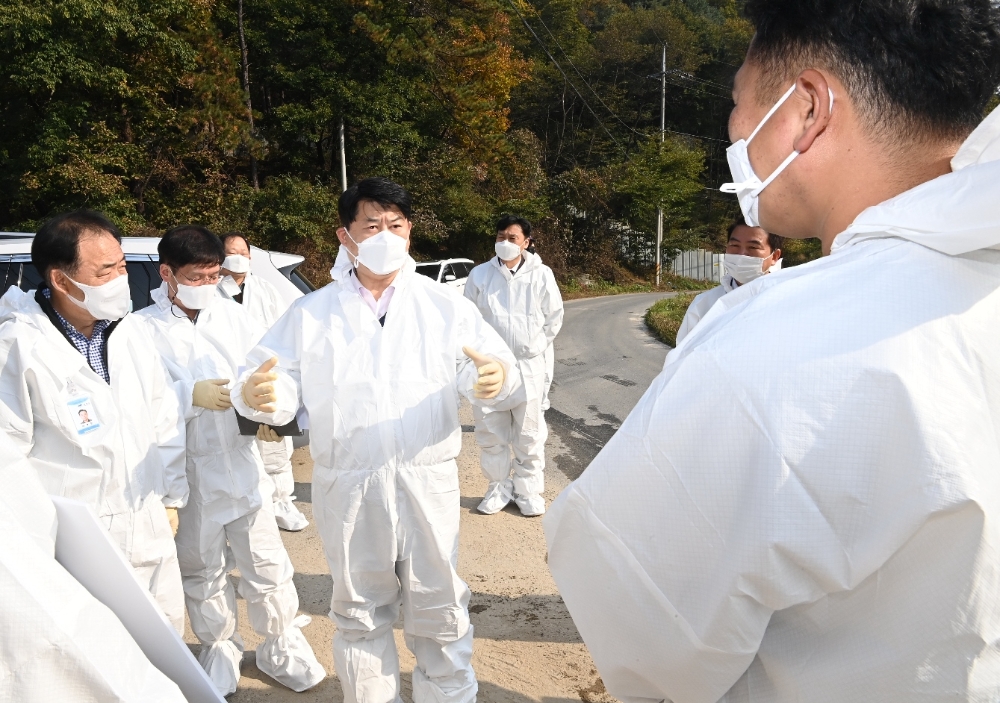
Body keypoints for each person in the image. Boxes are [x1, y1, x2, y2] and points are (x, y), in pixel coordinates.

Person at [544, 1, 1000, 701]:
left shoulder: (773, 347)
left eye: (737, 102)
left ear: (807, 109)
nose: (732, 127)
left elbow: (649, 643)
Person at [232, 177, 521, 703]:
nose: (385, 234)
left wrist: (493, 379)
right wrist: (257, 395)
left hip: (426, 475)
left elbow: (490, 364)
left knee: (440, 607)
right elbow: (270, 379)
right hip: (349, 481)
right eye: (372, 225)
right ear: (346, 236)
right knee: (359, 610)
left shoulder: (444, 305)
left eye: (396, 225)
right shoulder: (312, 312)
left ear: (410, 231)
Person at [134, 226, 325, 696]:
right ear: (167, 274)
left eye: (213, 274)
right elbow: (137, 404)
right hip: (189, 473)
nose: (207, 283)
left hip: (242, 462)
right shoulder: (139, 330)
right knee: (201, 568)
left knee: (266, 561)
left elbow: (268, 375)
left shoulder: (235, 319)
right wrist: (187, 396)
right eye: (196, 276)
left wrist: (264, 403)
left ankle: (281, 644)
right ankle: (219, 646)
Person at [0, 210, 187, 634]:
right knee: (99, 656)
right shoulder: (18, 349)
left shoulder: (131, 333)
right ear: (61, 281)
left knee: (165, 639)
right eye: (106, 271)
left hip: (146, 516)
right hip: (74, 542)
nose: (121, 279)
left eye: (122, 266)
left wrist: (171, 495)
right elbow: (7, 462)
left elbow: (162, 417)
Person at [0, 429, 187, 702]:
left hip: (145, 507)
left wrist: (172, 494)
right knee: (95, 649)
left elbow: (161, 418)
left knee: (166, 626)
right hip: (85, 527)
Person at [464, 215, 564, 516]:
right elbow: (468, 319)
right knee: (490, 431)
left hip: (528, 366)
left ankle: (528, 491)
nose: (505, 243)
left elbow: (553, 317)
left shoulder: (541, 274)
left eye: (512, 238)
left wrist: (532, 347)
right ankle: (498, 488)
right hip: (490, 367)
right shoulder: (480, 275)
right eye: (500, 237)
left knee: (529, 433)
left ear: (527, 242)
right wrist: (481, 355)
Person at [218, 230, 308, 532]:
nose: (239, 258)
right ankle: (252, 505)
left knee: (275, 448)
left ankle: (282, 501)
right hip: (230, 381)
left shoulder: (266, 290)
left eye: (243, 253)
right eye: (232, 252)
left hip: (266, 378)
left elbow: (282, 337)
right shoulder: (214, 293)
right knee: (237, 449)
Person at [674, 220, 782, 346]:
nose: (742, 254)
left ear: (774, 256)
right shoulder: (704, 304)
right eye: (735, 245)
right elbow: (684, 353)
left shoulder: (786, 300)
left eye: (753, 247)